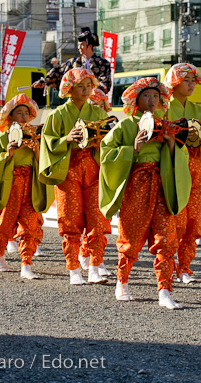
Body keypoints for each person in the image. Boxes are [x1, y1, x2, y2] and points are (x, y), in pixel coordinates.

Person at [99, 77, 191, 309]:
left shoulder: (165, 123)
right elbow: (106, 152)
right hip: (137, 183)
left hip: (162, 182)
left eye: (155, 96)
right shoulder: (126, 124)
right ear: (136, 99)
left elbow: (181, 153)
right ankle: (122, 282)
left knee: (166, 237)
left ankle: (165, 290)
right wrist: (133, 148)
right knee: (131, 234)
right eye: (146, 96)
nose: (152, 100)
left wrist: (171, 142)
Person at [39, 68, 111, 285]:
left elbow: (108, 140)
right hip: (67, 169)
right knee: (70, 219)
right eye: (81, 85)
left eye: (89, 85)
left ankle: (94, 265)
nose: (86, 89)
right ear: (69, 89)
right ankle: (73, 269)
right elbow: (47, 143)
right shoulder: (58, 114)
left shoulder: (99, 113)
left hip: (94, 168)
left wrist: (100, 142)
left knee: (97, 218)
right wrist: (66, 139)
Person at [0, 94, 54, 279]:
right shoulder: (2, 138)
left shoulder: (35, 136)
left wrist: (37, 149)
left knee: (30, 223)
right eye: (19, 112)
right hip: (10, 183)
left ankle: (26, 264)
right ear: (10, 117)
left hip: (31, 183)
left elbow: (44, 162)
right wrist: (7, 154)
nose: (23, 116)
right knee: (4, 220)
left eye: (26, 113)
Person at [165, 63, 201, 284]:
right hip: (174, 168)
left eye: (194, 80)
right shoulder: (164, 107)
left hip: (195, 169)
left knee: (194, 221)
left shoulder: (198, 110)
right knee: (176, 220)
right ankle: (170, 266)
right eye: (186, 80)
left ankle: (185, 267)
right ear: (174, 83)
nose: (192, 84)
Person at [78, 86, 114, 277]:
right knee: (80, 218)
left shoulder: (110, 123)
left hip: (101, 171)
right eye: (93, 103)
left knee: (99, 217)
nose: (97, 107)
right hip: (79, 171)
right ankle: (86, 254)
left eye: (101, 104)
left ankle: (95, 256)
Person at [34, 28, 112, 94]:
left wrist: (92, 91)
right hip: (76, 99)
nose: (79, 47)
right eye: (78, 45)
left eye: (82, 45)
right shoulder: (74, 63)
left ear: (90, 46)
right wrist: (44, 81)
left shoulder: (103, 63)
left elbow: (104, 83)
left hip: (95, 101)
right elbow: (58, 71)